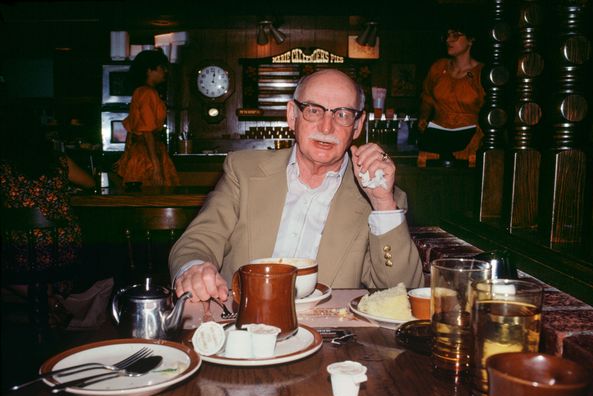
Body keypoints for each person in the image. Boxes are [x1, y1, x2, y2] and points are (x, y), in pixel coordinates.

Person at [169, 69, 424, 304]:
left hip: (327, 331)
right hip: (242, 323)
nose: (327, 127)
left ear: (357, 125)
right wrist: (194, 269)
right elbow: (199, 240)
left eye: (342, 114)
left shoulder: (381, 200)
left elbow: (401, 293)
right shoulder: (243, 170)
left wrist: (382, 203)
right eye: (314, 110)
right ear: (292, 116)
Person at [0, 105, 95, 327]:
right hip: (62, 256)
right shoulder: (59, 161)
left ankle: (45, 302)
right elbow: (90, 183)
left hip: (19, 258)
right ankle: (49, 302)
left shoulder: (3, 167)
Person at [417, 20, 485, 168]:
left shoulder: (482, 73)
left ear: (471, 40)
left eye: (455, 35)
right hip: (437, 138)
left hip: (470, 142)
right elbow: (426, 97)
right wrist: (423, 117)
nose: (448, 40)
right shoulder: (438, 67)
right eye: (447, 35)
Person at [116, 49, 179, 186]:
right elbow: (147, 131)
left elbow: (131, 131)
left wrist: (128, 155)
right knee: (153, 192)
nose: (165, 71)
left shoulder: (140, 91)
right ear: (149, 71)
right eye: (161, 67)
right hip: (147, 154)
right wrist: (156, 166)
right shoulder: (147, 93)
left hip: (141, 151)